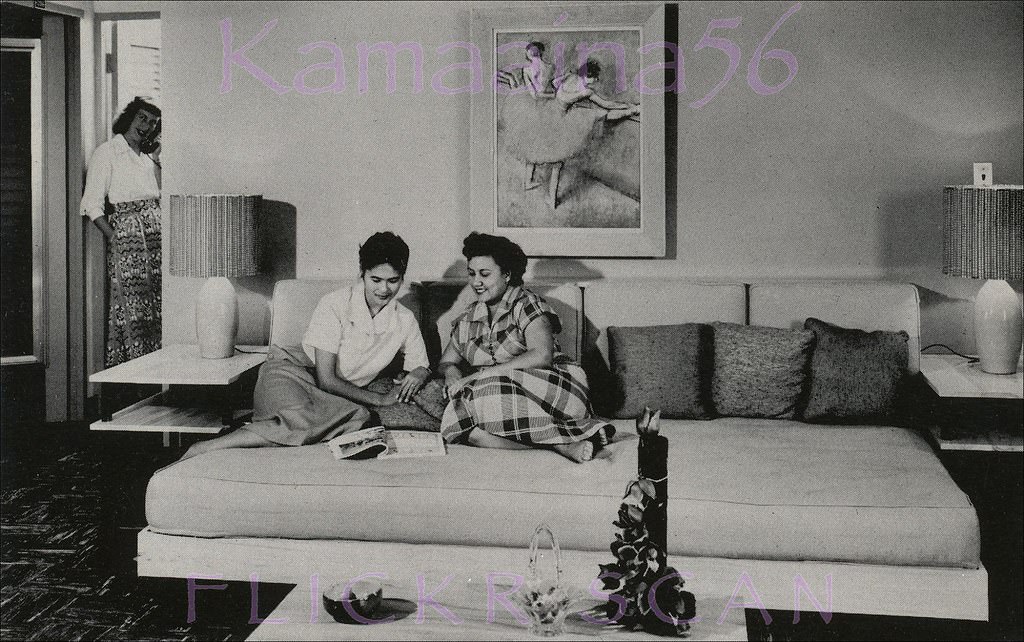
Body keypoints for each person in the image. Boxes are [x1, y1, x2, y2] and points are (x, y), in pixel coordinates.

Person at [180, 232, 430, 460]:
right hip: (291, 373)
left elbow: (419, 365)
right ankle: (206, 447)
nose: (384, 289)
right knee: (302, 416)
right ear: (362, 274)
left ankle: (270, 433)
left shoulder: (404, 319)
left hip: (331, 398)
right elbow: (326, 379)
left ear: (402, 277)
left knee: (360, 418)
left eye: (393, 280)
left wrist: (420, 370)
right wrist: (379, 399)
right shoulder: (335, 304)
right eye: (376, 279)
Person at [437, 232, 614, 463]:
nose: (476, 282)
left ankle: (562, 437)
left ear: (507, 274)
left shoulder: (527, 304)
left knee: (480, 395)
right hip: (498, 397)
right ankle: (560, 445)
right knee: (470, 429)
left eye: (485, 274)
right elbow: (446, 361)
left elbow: (542, 355)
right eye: (471, 274)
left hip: (551, 387)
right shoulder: (469, 317)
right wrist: (451, 372)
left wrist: (478, 377)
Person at [80, 97, 163, 366]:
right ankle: (133, 373)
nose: (147, 126)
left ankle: (156, 371)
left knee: (159, 306)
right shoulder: (108, 152)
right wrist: (115, 237)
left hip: (156, 236)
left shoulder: (149, 158)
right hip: (129, 239)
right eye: (142, 118)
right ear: (129, 117)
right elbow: (91, 204)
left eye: (152, 122)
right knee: (134, 305)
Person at [500, 58, 640, 208]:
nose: (595, 81)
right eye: (594, 78)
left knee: (533, 145)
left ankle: (528, 182)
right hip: (559, 120)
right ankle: (551, 200)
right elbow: (607, 104)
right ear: (589, 76)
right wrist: (628, 105)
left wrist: (563, 100)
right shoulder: (586, 91)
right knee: (558, 161)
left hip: (546, 112)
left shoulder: (569, 76)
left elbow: (554, 84)